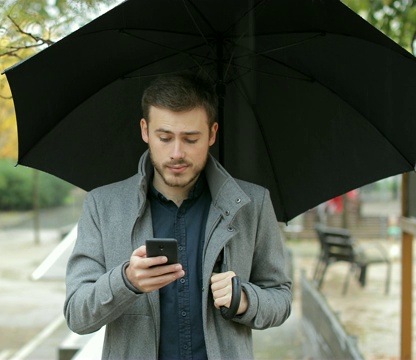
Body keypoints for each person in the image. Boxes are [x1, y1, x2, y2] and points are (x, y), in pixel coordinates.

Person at [64, 72, 293, 360]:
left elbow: (281, 298)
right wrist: (126, 281)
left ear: (212, 134)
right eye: (165, 137)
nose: (176, 153)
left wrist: (245, 299)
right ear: (145, 130)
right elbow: (77, 314)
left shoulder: (253, 203)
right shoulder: (102, 205)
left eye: (190, 139)